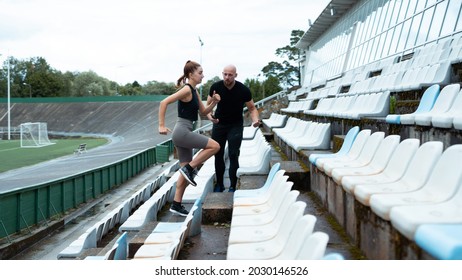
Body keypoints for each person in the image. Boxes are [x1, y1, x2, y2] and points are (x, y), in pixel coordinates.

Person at [158, 60, 221, 216]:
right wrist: (161, 125)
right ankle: (189, 168)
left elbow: (203, 111)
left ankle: (177, 204)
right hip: (182, 132)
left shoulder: (194, 91)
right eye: (200, 73)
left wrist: (214, 103)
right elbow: (164, 102)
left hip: (184, 132)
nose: (203, 75)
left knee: (185, 176)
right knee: (215, 146)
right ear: (191, 74)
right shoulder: (186, 90)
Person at [206, 64, 261, 193]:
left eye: (230, 75)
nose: (227, 77)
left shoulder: (243, 90)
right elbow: (206, 107)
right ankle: (219, 184)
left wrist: (255, 120)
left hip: (235, 125)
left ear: (235, 75)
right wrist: (210, 117)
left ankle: (232, 186)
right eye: (225, 74)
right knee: (218, 154)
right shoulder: (215, 87)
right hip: (219, 124)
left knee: (233, 154)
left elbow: (252, 108)